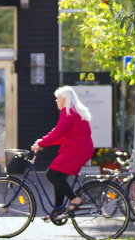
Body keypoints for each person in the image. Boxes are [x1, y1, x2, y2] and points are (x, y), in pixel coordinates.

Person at [31, 86, 94, 221]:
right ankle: (57, 211)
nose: (56, 100)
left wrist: (41, 143)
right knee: (58, 175)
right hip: (79, 148)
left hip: (76, 149)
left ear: (66, 99)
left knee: (51, 174)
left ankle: (75, 199)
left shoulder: (68, 111)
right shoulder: (74, 111)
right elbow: (61, 135)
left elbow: (58, 132)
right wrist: (43, 142)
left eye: (58, 97)